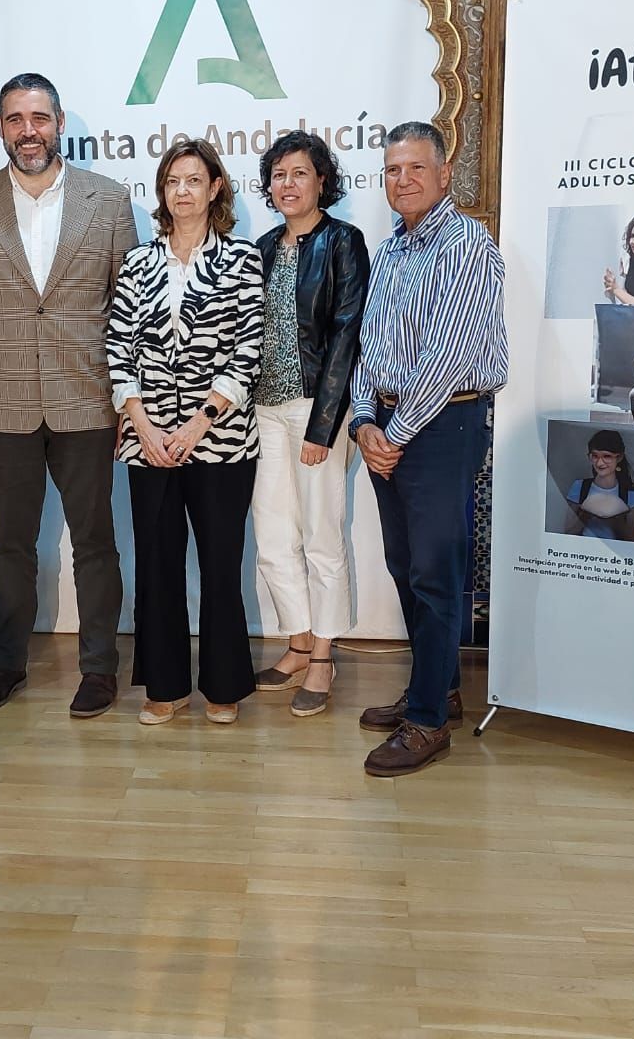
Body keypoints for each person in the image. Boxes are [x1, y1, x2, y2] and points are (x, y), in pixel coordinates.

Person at [0, 72, 138, 717]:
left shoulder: (107, 201)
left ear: (58, 125)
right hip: (3, 410)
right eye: (16, 119)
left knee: (95, 543)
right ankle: (6, 664)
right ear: (1, 127)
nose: (30, 131)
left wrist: (127, 404)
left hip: (88, 405)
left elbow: (128, 307)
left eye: (40, 118)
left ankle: (100, 669)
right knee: (12, 544)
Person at [350, 122, 507, 777]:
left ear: (446, 175)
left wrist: (394, 434)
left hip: (445, 427)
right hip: (390, 427)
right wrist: (364, 420)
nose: (403, 180)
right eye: (392, 170)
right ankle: (435, 689)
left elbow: (446, 359)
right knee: (405, 563)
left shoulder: (467, 245)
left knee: (436, 576)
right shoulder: (390, 252)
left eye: (416, 168)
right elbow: (369, 348)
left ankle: (426, 724)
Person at [108, 138, 263, 725]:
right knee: (157, 563)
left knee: (221, 566)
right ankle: (164, 686)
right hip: (147, 444)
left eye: (193, 180)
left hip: (221, 444)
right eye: (172, 180)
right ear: (162, 190)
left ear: (214, 188)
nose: (182, 191)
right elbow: (117, 346)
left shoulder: (244, 260)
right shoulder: (138, 263)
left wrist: (198, 424)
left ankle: (223, 687)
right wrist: (142, 425)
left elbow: (247, 352)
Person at [248, 131, 369, 718]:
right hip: (262, 414)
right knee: (273, 540)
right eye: (279, 175)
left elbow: (347, 334)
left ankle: (323, 654)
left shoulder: (345, 242)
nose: (288, 184)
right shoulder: (263, 246)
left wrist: (325, 426)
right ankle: (297, 640)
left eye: (300, 173)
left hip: (315, 410)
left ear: (322, 180)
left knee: (323, 536)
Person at [562, 430, 634, 541]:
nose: (600, 463)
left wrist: (616, 520)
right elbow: (568, 532)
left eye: (607, 456)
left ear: (619, 458)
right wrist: (585, 515)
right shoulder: (580, 487)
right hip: (581, 553)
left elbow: (632, 540)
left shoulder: (631, 495)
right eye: (595, 456)